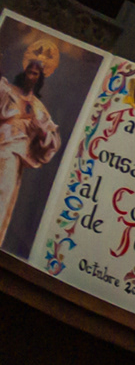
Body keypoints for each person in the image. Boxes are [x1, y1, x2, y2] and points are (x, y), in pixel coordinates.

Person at [0, 32, 64, 244]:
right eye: (29, 71)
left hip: (12, 155)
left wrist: (41, 131)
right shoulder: (6, 90)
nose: (30, 76)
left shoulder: (39, 110)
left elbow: (51, 143)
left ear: (40, 78)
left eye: (35, 73)